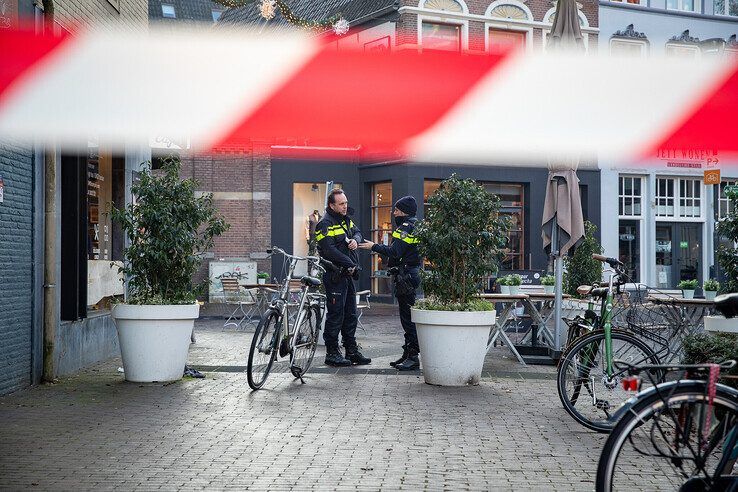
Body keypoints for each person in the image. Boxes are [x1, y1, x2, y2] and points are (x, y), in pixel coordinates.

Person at [358, 196, 421, 371]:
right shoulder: (415, 225)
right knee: (406, 317)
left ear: (404, 212)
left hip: (406, 275)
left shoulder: (406, 227)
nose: (394, 213)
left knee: (407, 318)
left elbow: (395, 251)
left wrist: (374, 246)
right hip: (409, 273)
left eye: (396, 210)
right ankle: (408, 353)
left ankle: (413, 356)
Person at [316, 189, 371, 367]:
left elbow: (358, 232)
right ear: (332, 205)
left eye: (346, 202)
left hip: (347, 274)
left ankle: (351, 350)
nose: (345, 206)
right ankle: (332, 353)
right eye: (341, 203)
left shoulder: (346, 220)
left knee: (351, 315)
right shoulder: (324, 224)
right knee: (335, 315)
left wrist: (355, 239)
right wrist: (349, 263)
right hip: (335, 276)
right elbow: (328, 250)